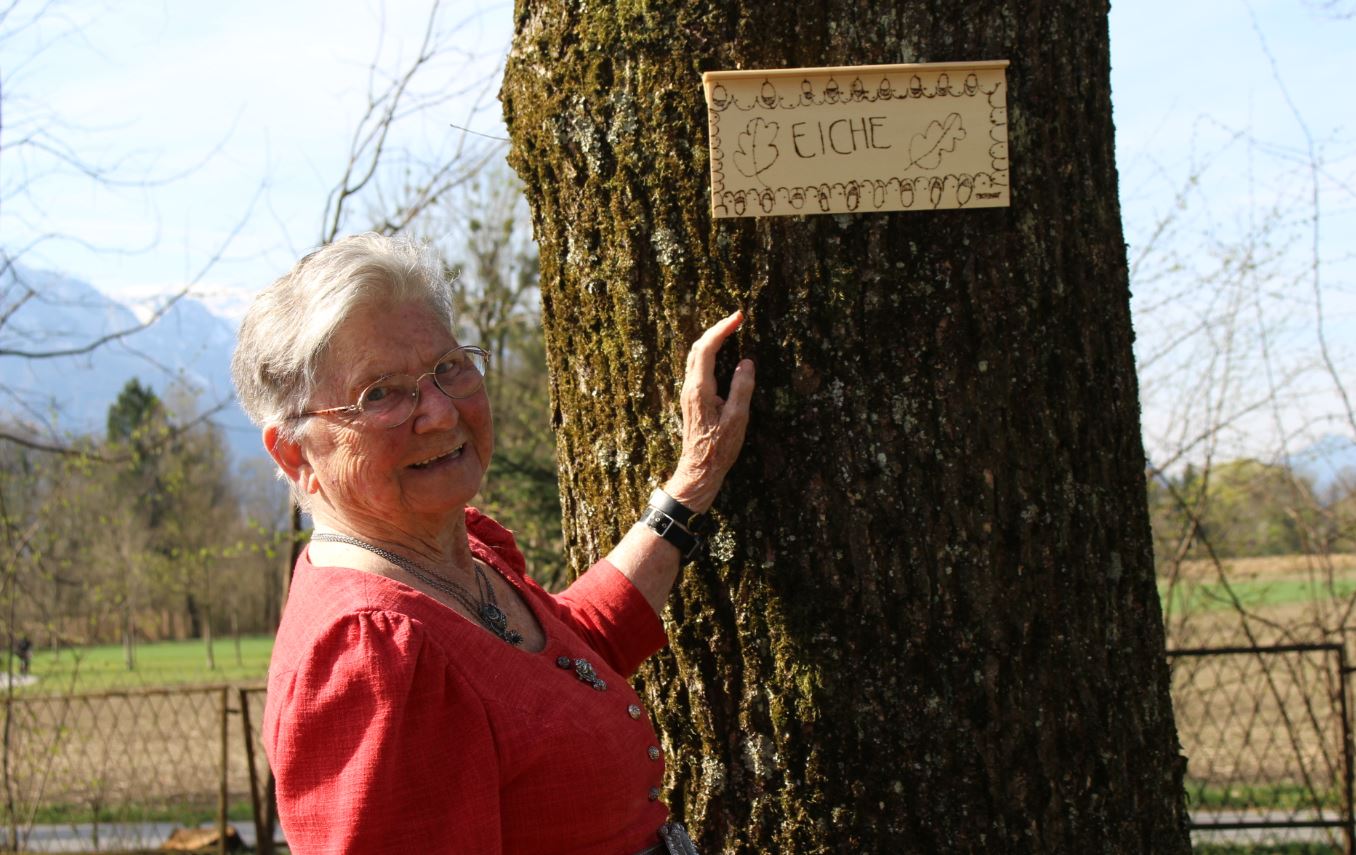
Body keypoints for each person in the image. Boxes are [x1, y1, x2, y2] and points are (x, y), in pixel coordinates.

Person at [231, 233, 754, 854]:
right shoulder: (371, 654)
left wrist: (689, 489)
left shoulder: (453, 558)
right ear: (295, 453)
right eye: (381, 394)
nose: (441, 412)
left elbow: (568, 655)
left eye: (448, 367)